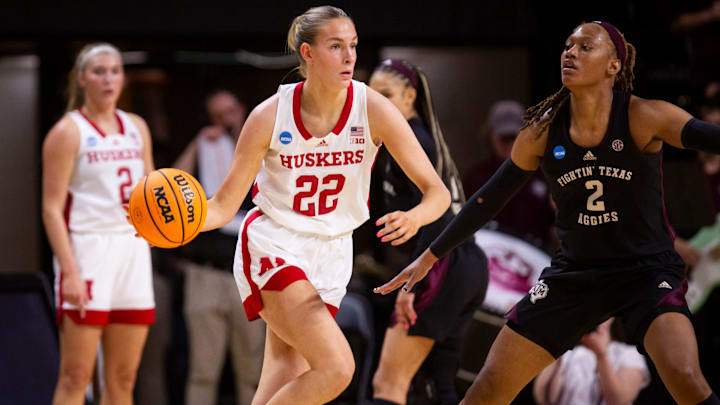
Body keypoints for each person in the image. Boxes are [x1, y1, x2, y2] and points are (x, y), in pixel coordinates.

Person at [376, 21, 720, 405]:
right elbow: (487, 201)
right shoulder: (541, 132)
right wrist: (429, 256)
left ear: (614, 66)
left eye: (585, 47)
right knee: (488, 387)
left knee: (686, 376)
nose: (570, 53)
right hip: (575, 274)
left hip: (646, 271)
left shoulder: (645, 116)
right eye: (567, 46)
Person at [183, 6, 450, 404]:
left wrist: (415, 217)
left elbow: (438, 193)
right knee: (337, 367)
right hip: (275, 245)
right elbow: (223, 207)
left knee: (283, 381)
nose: (349, 57)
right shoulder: (268, 116)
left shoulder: (373, 108)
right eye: (336, 46)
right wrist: (173, 225)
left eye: (353, 46)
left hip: (332, 252)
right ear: (307, 53)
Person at [368, 59, 489, 405]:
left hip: (441, 265)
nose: (377, 104)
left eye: (386, 95)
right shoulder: (408, 137)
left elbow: (437, 215)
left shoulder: (413, 139)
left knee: (388, 383)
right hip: (467, 265)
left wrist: (412, 285)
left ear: (409, 96)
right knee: (440, 383)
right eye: (372, 96)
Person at [42, 43, 155, 405]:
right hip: (87, 250)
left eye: (115, 70)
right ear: (81, 78)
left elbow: (153, 193)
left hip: (132, 249)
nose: (108, 78)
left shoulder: (137, 127)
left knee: (124, 377)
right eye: (99, 71)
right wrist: (70, 272)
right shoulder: (67, 131)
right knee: (76, 375)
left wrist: (163, 231)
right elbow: (50, 209)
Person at [173, 89, 265, 405]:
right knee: (203, 370)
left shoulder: (264, 145)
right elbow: (169, 187)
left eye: (229, 113)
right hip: (206, 273)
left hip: (249, 273)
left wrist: (245, 133)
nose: (224, 122)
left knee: (253, 370)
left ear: (242, 109)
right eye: (217, 116)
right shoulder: (206, 147)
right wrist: (198, 143)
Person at [463, 100, 557, 251]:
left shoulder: (544, 177)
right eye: (503, 137)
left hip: (533, 259)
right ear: (490, 136)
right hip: (491, 256)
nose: (509, 143)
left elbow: (557, 227)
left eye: (513, 136)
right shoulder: (476, 179)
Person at [533, 318, 650, 405]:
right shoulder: (568, 352)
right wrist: (562, 345)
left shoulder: (628, 353)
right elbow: (543, 398)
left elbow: (619, 400)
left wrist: (602, 355)